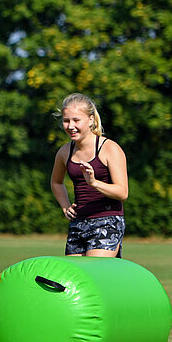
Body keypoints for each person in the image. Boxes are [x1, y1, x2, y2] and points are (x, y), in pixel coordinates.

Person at [49, 93, 128, 257]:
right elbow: (56, 182)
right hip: (78, 223)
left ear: (91, 120)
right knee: (73, 280)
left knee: (94, 275)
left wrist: (94, 182)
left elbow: (122, 192)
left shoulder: (109, 149)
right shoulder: (65, 152)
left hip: (107, 222)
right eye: (66, 120)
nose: (71, 126)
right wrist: (65, 206)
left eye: (76, 120)